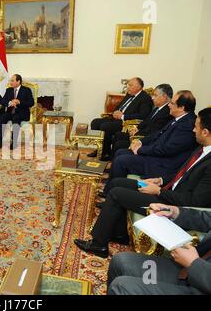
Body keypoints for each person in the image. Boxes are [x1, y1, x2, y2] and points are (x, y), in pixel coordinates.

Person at [74, 107, 211, 258]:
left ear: (205, 132)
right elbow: (183, 173)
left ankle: (98, 245)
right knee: (118, 182)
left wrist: (159, 191)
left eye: (196, 126)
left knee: (116, 194)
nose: (193, 130)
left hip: (168, 201)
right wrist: (161, 180)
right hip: (164, 188)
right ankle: (120, 234)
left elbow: (196, 201)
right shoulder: (202, 149)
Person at [104, 90, 197, 193]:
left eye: (172, 103)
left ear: (182, 108)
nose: (169, 105)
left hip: (163, 164)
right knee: (120, 152)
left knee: (121, 160)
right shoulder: (180, 118)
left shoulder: (187, 125)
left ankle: (112, 193)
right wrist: (140, 142)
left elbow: (167, 150)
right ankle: (111, 187)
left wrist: (140, 150)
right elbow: (157, 134)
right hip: (156, 155)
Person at [108, 203, 211, 295]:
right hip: (192, 271)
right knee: (121, 261)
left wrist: (194, 264)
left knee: (122, 287)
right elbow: (207, 219)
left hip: (201, 280)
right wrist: (174, 211)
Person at [89, 77, 153, 160]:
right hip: (116, 118)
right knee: (95, 122)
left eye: (130, 85)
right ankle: (103, 149)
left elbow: (143, 115)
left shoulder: (145, 98)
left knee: (106, 126)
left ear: (138, 87)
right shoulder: (129, 94)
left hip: (127, 123)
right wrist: (115, 112)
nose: (128, 87)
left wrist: (123, 116)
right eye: (128, 85)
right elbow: (119, 106)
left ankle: (104, 152)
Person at [110, 84, 174, 157]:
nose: (152, 98)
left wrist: (137, 133)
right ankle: (112, 160)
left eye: (155, 96)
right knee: (118, 135)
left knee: (119, 144)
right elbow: (146, 121)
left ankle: (114, 162)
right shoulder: (158, 108)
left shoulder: (167, 112)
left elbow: (154, 130)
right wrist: (136, 128)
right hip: (141, 133)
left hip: (147, 140)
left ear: (164, 97)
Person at [0, 74, 34, 150]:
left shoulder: (26, 90)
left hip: (22, 112)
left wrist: (19, 102)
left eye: (12, 80)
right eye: (11, 80)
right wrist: (10, 103)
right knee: (2, 118)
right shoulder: (9, 90)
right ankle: (0, 141)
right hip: (10, 112)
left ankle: (14, 143)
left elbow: (31, 102)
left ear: (18, 81)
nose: (10, 82)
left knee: (16, 119)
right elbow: (3, 101)